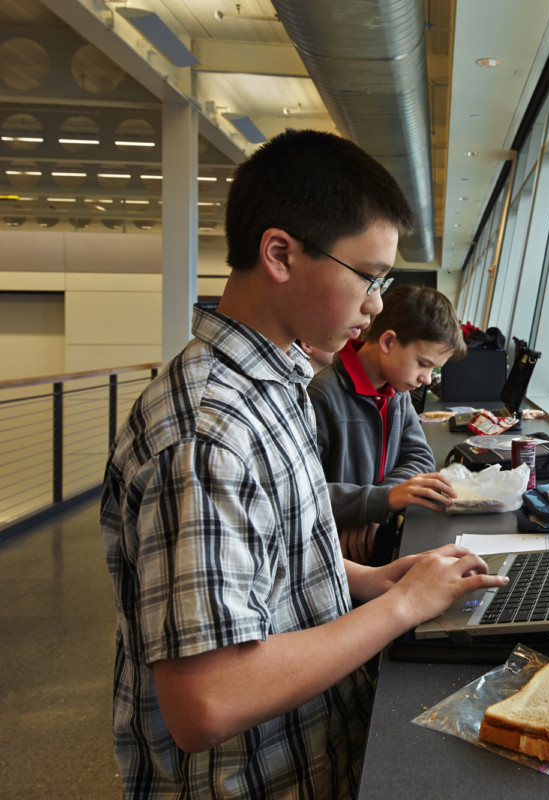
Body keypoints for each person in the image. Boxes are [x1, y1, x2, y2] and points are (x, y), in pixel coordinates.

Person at [99, 129, 507, 799]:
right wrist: (403, 606)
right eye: (368, 278)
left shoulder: (277, 382)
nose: (376, 305)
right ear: (281, 254)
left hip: (311, 753)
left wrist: (370, 580)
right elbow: (208, 701)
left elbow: (269, 552)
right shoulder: (207, 434)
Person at [308, 285, 467, 565]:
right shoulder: (321, 396)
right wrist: (378, 502)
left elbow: (420, 457)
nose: (427, 380)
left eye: (433, 370)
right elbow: (301, 493)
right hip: (331, 556)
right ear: (388, 342)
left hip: (377, 540)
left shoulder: (397, 392)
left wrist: (378, 505)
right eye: (423, 364)